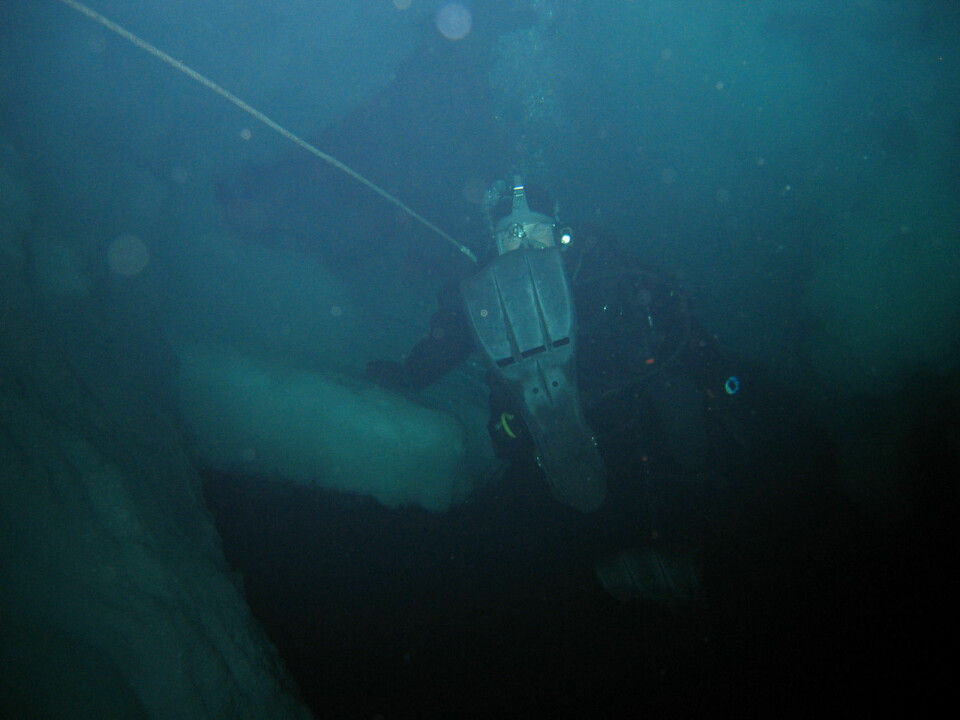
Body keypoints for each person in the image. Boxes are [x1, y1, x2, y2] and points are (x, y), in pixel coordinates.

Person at [367, 176, 744, 515]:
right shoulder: (483, 288)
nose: (526, 244)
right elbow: (448, 340)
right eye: (512, 234)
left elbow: (669, 310)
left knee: (678, 412)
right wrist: (410, 375)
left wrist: (717, 374)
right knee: (510, 445)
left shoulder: (597, 263)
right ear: (495, 243)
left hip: (626, 390)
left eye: (538, 231)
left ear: (559, 233)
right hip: (536, 408)